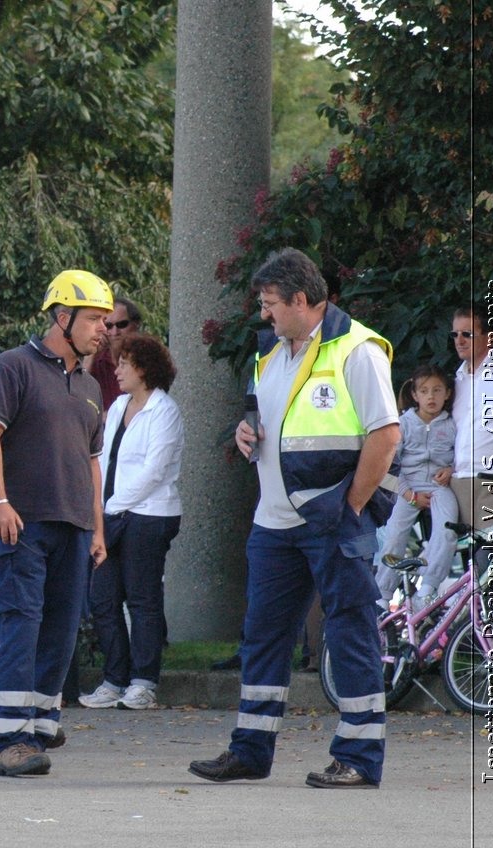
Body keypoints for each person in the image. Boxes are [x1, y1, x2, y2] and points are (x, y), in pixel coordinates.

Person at [189, 247, 399, 790]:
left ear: (302, 300)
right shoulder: (271, 352)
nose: (264, 314)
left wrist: (350, 506)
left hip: (331, 520)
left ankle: (358, 756)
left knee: (350, 629)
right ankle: (250, 751)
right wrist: (245, 433)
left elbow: (386, 435)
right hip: (274, 522)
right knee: (262, 636)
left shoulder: (357, 350)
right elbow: (271, 421)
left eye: (270, 304)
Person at [0, 270, 111, 777]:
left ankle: (37, 721)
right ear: (62, 317)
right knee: (18, 622)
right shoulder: (12, 367)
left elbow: (92, 460)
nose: (104, 329)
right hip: (21, 522)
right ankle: (9, 738)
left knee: (60, 627)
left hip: (74, 524)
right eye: (95, 319)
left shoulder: (91, 384)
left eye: (106, 320)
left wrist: (96, 527)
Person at [79, 335, 184, 711]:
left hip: (149, 516)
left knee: (142, 599)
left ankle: (143, 682)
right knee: (103, 599)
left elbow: (154, 471)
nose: (117, 370)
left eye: (124, 363)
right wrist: (100, 508)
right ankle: (114, 678)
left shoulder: (165, 411)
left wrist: (110, 507)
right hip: (111, 514)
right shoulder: (119, 404)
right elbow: (102, 458)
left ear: (144, 368)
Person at [373, 364, 457, 604]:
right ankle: (383, 594)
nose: (431, 396)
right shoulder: (405, 424)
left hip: (439, 487)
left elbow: (461, 456)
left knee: (449, 530)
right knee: (394, 535)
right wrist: (409, 494)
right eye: (424, 391)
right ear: (414, 394)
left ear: (447, 393)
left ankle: (427, 586)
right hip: (409, 485)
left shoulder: (451, 424)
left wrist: (451, 470)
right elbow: (390, 464)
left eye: (437, 390)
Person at [445, 304, 493, 533]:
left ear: (489, 338)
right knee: (463, 565)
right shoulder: (455, 381)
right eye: (455, 334)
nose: (459, 341)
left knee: (489, 563)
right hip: (457, 484)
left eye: (467, 334)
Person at [89, 297, 144, 413]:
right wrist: (90, 355)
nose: (115, 332)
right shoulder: (97, 359)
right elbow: (76, 394)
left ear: (137, 324)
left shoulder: (146, 360)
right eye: (108, 326)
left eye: (122, 324)